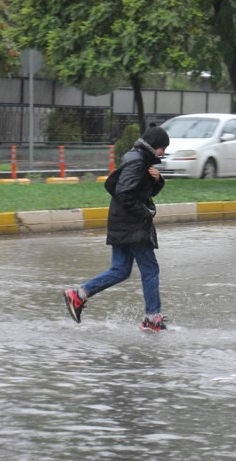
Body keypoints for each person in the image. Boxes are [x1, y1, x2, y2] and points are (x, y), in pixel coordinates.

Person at [63, 123, 169, 332]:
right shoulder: (138, 162)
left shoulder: (137, 158)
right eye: (163, 147)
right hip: (133, 227)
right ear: (154, 145)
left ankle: (79, 295)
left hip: (122, 223)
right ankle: (152, 318)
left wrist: (158, 180)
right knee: (150, 269)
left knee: (120, 270)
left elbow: (139, 191)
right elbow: (124, 193)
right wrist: (146, 213)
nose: (164, 152)